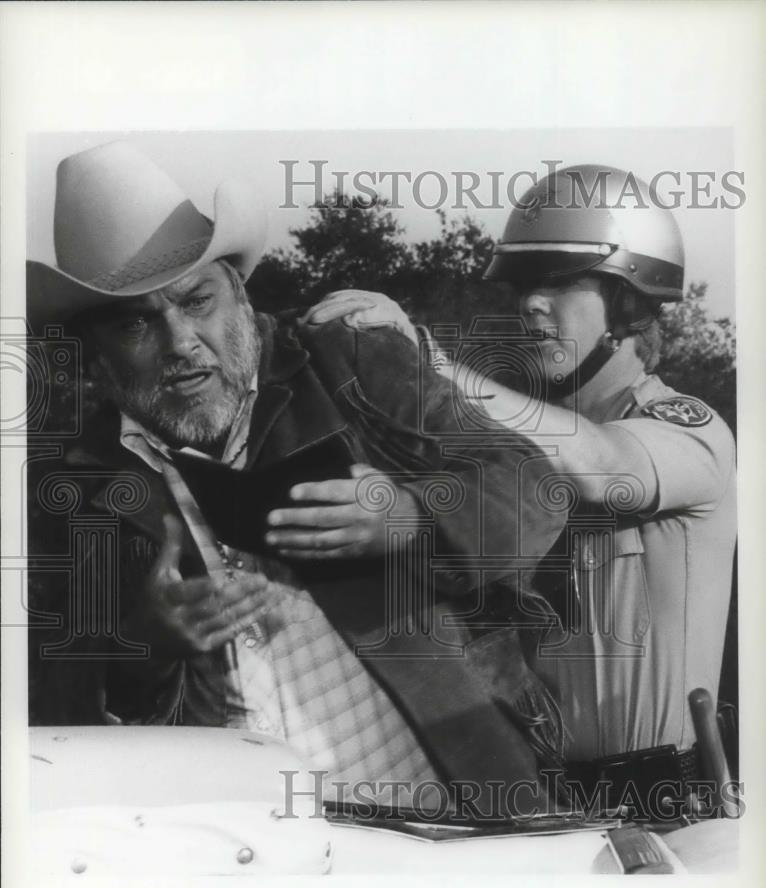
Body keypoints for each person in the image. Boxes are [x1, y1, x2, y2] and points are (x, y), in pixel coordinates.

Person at [26, 141, 569, 816]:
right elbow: (49, 715)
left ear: (239, 292)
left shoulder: (349, 364)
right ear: (94, 352)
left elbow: (533, 487)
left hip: (448, 818)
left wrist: (409, 517)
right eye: (135, 323)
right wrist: (143, 645)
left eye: (197, 300)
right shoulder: (71, 489)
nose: (180, 342)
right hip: (242, 847)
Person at [306, 164, 737, 813]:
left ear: (628, 303)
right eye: (525, 286)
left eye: (559, 282)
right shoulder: (516, 457)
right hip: (547, 803)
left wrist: (427, 359)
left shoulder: (690, 430)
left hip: (671, 806)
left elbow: (601, 462)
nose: (531, 303)